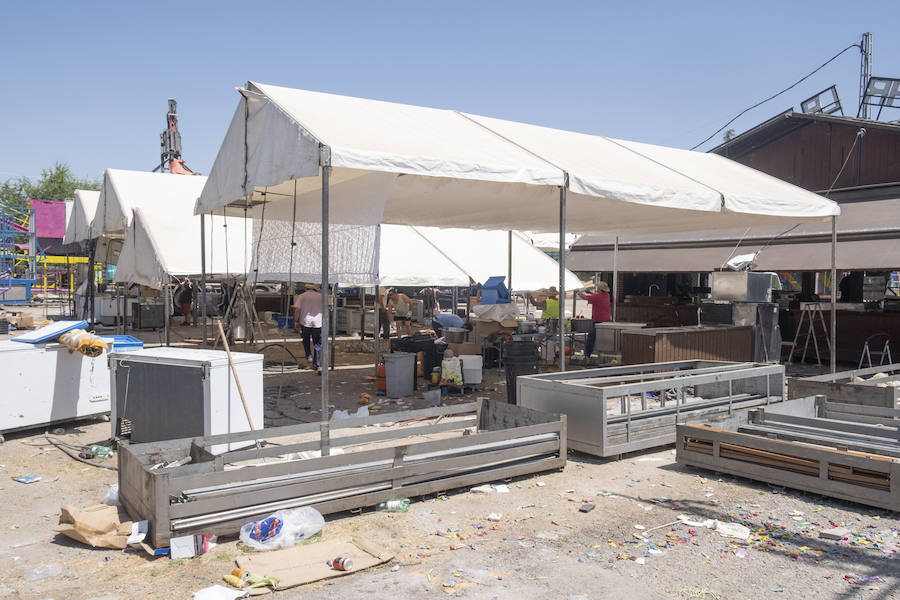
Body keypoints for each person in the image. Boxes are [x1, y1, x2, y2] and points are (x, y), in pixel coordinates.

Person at [293, 282, 323, 373]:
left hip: (305, 322)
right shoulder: (321, 296)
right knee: (317, 343)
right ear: (315, 288)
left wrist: (296, 321)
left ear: (306, 288)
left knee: (305, 340)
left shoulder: (302, 296)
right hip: (318, 323)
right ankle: (316, 364)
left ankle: (309, 355)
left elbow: (297, 310)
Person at [578, 281, 612, 357]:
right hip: (607, 319)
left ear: (600, 289)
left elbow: (584, 297)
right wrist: (590, 293)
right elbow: (596, 297)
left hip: (599, 321)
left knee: (591, 338)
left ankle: (587, 355)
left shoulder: (597, 297)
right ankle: (604, 354)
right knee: (604, 339)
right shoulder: (607, 295)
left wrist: (578, 292)